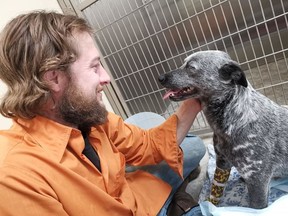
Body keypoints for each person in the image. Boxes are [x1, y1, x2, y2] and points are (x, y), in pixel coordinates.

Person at [0, 11, 205, 215]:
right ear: (54, 79)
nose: (106, 77)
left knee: (193, 145)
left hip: (136, 198)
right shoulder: (14, 177)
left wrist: (195, 100)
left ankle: (154, 184)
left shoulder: (85, 114)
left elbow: (147, 145)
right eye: (95, 67)